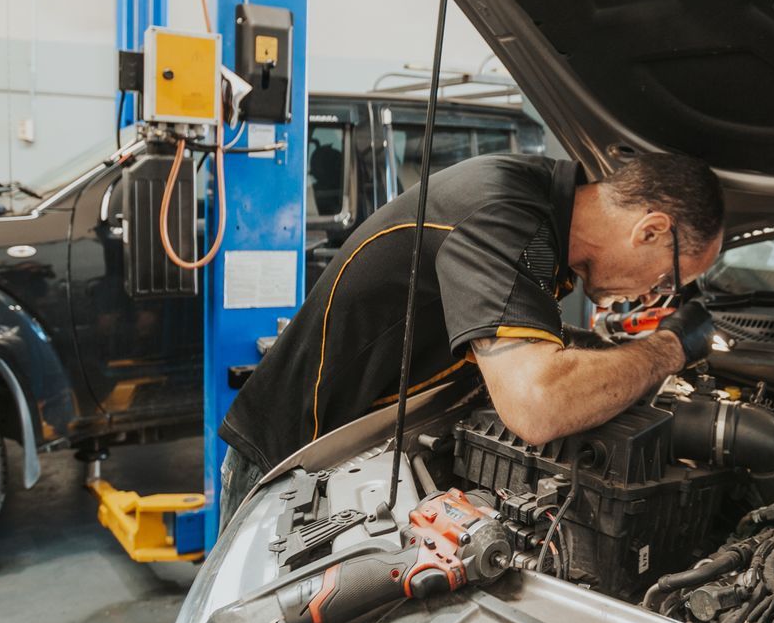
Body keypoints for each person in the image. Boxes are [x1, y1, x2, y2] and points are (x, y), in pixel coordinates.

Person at [217, 149, 724, 512]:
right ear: (650, 230)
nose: (654, 297)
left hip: (362, 461)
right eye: (666, 280)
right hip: (288, 468)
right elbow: (538, 404)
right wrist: (668, 348)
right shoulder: (501, 213)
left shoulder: (546, 219)